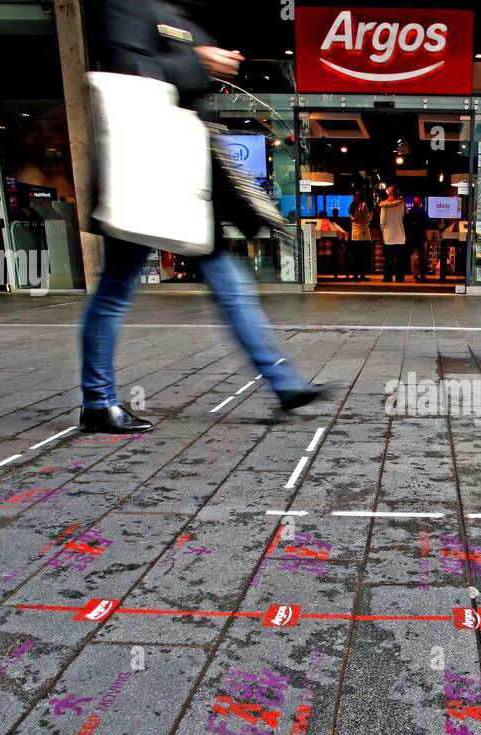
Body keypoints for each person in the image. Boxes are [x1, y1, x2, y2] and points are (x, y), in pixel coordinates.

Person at [80, 0, 328, 433]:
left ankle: (284, 383)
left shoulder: (178, 12)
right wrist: (197, 61)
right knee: (115, 291)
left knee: (229, 286)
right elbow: (134, 75)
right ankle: (98, 401)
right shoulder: (125, 5)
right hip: (144, 173)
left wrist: (201, 63)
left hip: (184, 178)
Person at [378, 185, 407, 284]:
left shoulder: (384, 206)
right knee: (400, 259)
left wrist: (382, 231)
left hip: (388, 236)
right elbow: (404, 218)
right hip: (400, 235)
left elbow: (382, 221)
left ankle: (388, 277)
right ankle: (400, 278)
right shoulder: (402, 204)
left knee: (389, 260)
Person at [348, 190, 373, 281]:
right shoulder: (363, 205)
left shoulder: (351, 206)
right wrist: (371, 215)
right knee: (363, 257)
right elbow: (366, 219)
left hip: (355, 234)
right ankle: (362, 275)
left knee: (355, 256)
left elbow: (353, 219)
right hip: (363, 234)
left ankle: (355, 276)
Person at [404, 196, 430, 282]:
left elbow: (406, 225)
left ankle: (415, 275)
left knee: (414, 257)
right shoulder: (423, 213)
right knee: (422, 257)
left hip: (412, 238)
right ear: (420, 204)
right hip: (422, 237)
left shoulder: (409, 213)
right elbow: (428, 224)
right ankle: (422, 275)